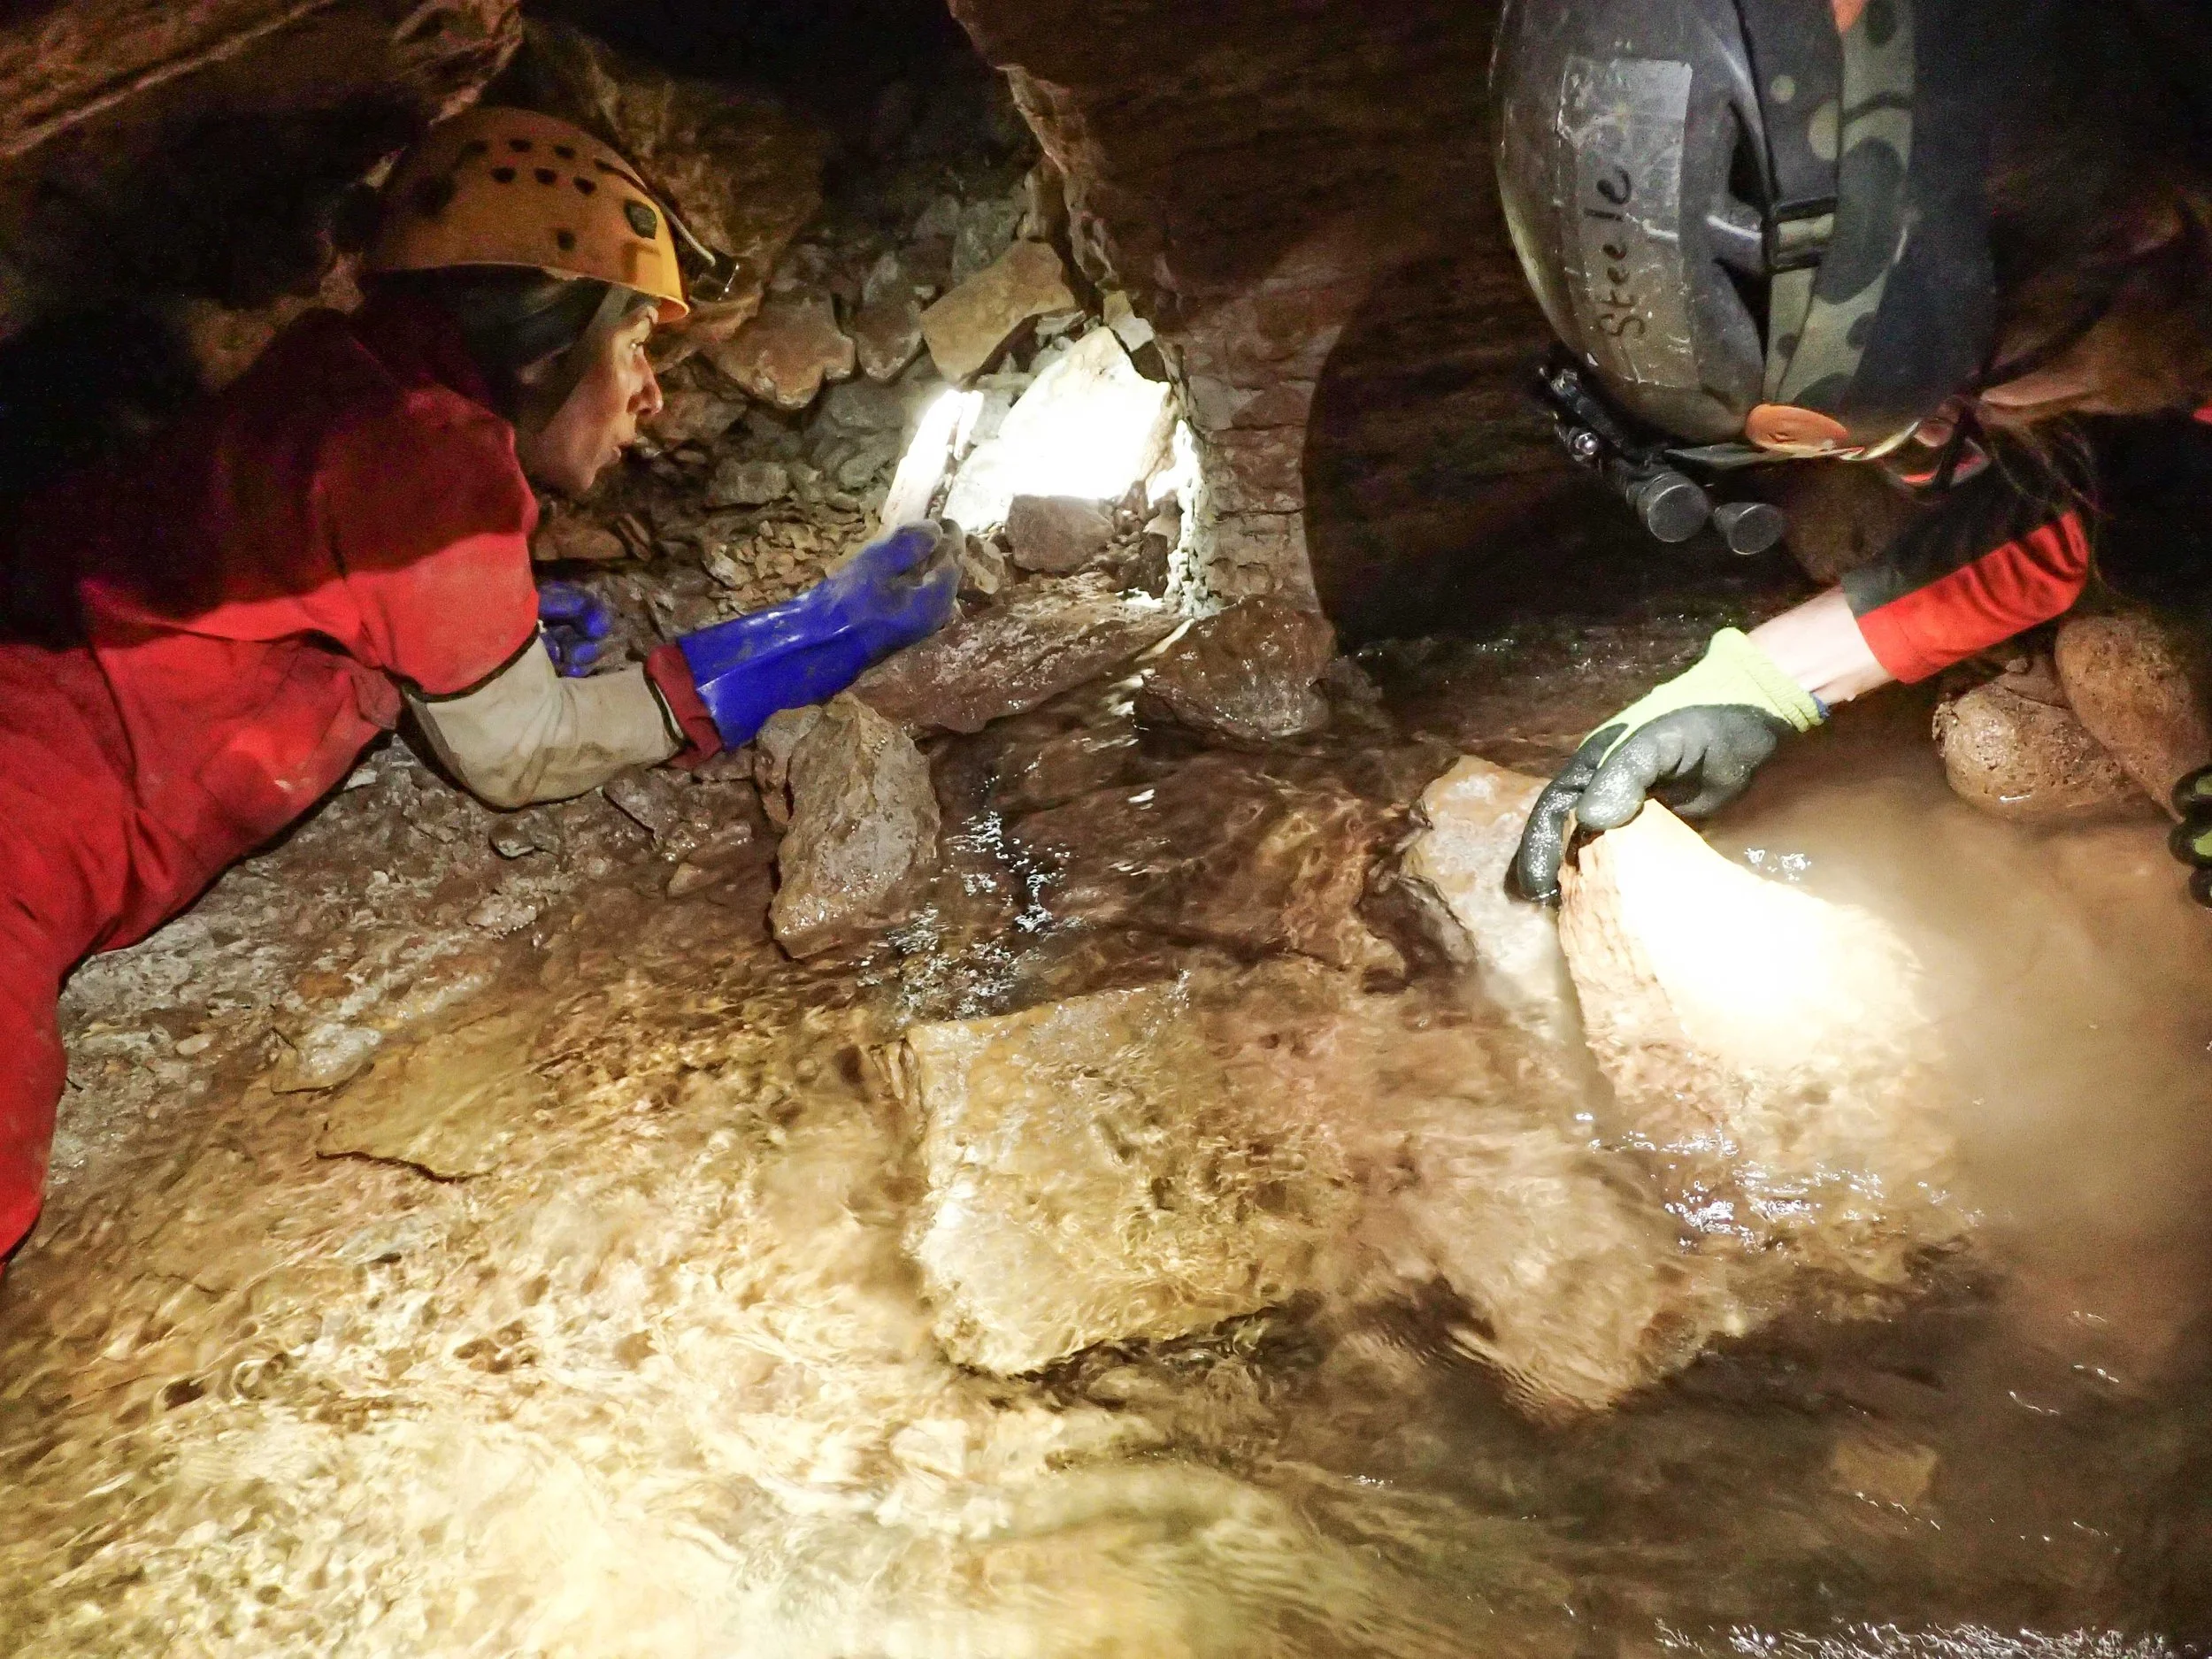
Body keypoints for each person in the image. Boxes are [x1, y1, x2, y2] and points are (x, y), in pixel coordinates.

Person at [0, 106, 962, 1265]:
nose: (651, 394)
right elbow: (519, 754)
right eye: (633, 346)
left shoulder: (342, 377)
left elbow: (279, 564)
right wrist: (810, 637)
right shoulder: (426, 457)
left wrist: (438, 636)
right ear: (544, 341)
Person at [1488, 0, 2212, 902]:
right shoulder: (2159, 296)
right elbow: (2112, 490)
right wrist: (1766, 679)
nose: (1950, 432)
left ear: (2138, 220)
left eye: (1965, 383)